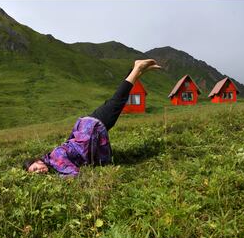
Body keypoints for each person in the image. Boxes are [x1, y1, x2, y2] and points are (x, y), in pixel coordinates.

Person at [23, 59, 162, 177]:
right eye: (34, 173)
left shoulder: (56, 161)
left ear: (38, 161)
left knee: (117, 102)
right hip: (87, 126)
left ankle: (137, 67)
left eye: (35, 168)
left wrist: (57, 178)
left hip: (91, 129)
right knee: (115, 102)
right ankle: (138, 70)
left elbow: (74, 174)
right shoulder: (52, 157)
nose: (38, 172)